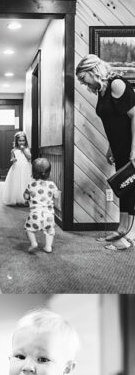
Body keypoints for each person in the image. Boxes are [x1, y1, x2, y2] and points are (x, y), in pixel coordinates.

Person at [77, 54, 135, 251]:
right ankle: (122, 229)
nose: (83, 83)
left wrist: (134, 149)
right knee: (125, 187)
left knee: (132, 188)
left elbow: (134, 116)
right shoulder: (102, 91)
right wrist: (111, 146)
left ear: (93, 71)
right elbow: (114, 122)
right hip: (119, 146)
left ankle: (129, 237)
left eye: (83, 77)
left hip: (131, 145)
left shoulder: (116, 84)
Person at [22, 158, 60, 253]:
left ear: (33, 172)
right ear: (49, 173)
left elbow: (26, 197)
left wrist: (27, 196)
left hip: (35, 214)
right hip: (48, 215)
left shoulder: (31, 184)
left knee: (29, 229)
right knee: (50, 231)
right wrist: (57, 193)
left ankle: (34, 243)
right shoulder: (52, 184)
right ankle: (48, 247)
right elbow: (56, 196)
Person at [2, 130, 32, 206]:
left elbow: (29, 158)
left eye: (23, 140)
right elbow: (12, 159)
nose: (22, 142)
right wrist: (13, 160)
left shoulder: (27, 149)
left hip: (26, 168)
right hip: (16, 168)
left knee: (25, 182)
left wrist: (24, 150)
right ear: (16, 141)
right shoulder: (13, 150)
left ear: (25, 141)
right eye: (20, 141)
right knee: (17, 183)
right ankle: (18, 199)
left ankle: (25, 200)